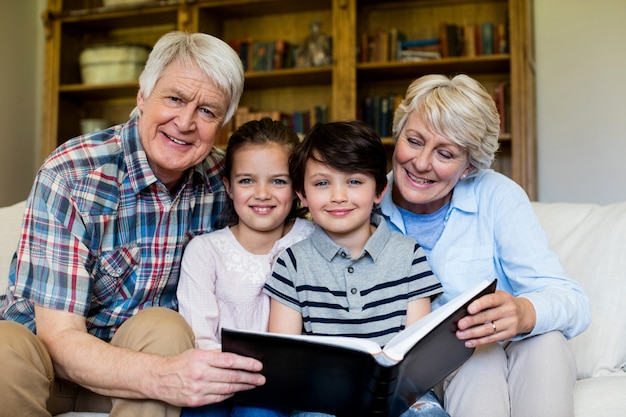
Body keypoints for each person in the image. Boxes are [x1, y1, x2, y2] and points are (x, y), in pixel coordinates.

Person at [0, 31, 266, 417]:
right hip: (44, 362)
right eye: (174, 98)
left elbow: (304, 208)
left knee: (166, 326)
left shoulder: (226, 181)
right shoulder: (72, 174)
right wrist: (163, 376)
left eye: (208, 111)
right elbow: (58, 339)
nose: (186, 122)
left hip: (136, 368)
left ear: (224, 124)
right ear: (142, 96)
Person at [379, 74, 591, 417]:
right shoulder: (362, 202)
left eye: (444, 153)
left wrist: (524, 313)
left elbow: (573, 302)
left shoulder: (498, 195)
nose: (420, 163)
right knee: (479, 357)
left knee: (547, 344)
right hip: (427, 364)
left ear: (469, 167)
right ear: (397, 135)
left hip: (505, 351)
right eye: (414, 141)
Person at [264, 121, 449, 417]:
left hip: (400, 394)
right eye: (322, 183)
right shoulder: (292, 264)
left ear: (379, 190)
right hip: (323, 398)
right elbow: (285, 359)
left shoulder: (408, 254)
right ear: (302, 195)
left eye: (354, 182)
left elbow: (416, 353)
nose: (338, 196)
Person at [178, 117, 315, 417]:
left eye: (278, 181)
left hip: (283, 385)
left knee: (258, 412)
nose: (262, 193)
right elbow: (200, 338)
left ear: (296, 188)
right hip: (215, 378)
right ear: (228, 186)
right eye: (246, 180)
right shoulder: (205, 251)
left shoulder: (312, 240)